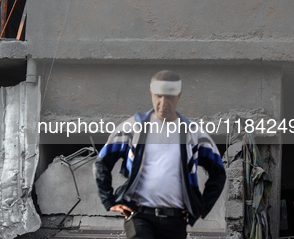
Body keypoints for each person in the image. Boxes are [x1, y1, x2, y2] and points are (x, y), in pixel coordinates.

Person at [94, 70, 226, 239]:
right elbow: (102, 162)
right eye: (159, 96)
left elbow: (218, 172)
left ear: (179, 95)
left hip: (176, 220)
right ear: (151, 93)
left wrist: (202, 206)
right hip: (139, 216)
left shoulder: (192, 133)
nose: (163, 102)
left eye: (169, 97)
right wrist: (109, 201)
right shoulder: (134, 127)